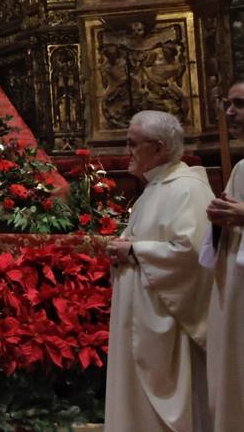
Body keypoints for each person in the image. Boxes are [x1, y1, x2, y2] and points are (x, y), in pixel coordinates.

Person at [105, 110, 213, 432]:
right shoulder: (156, 187)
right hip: (141, 316)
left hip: (164, 324)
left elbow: (193, 254)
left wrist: (135, 250)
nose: (127, 151)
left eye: (133, 143)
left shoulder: (186, 189)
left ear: (160, 148)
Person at [202, 78, 244, 432]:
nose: (230, 113)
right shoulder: (242, 170)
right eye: (229, 104)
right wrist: (218, 220)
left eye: (240, 104)